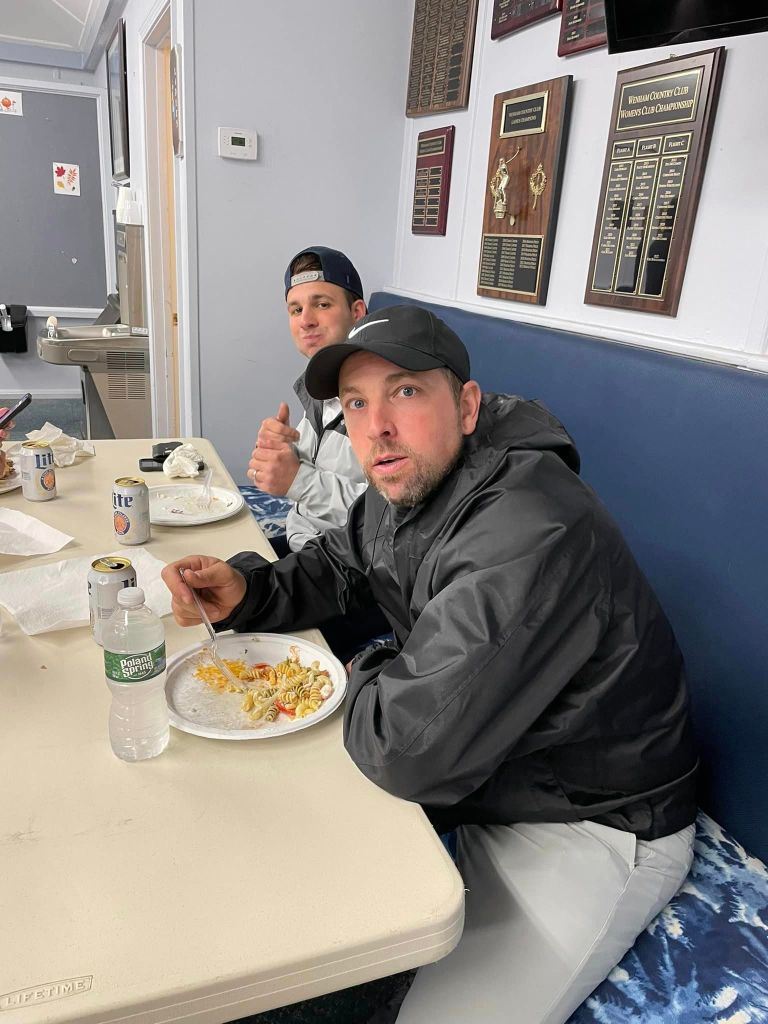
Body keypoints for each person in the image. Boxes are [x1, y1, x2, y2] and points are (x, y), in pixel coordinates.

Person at [163, 305, 698, 1024]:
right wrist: (250, 591)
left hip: (592, 817)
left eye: (406, 391)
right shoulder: (411, 476)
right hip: (484, 765)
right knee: (252, 862)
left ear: (467, 406)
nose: (377, 426)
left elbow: (408, 750)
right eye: (356, 403)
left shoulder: (530, 525)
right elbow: (341, 562)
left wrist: (373, 664)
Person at [246, 246, 368, 555]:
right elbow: (320, 467)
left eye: (322, 304)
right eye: (296, 310)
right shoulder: (320, 387)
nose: (306, 321)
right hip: (303, 545)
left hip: (349, 568)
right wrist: (280, 454)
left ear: (357, 313)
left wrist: (298, 480)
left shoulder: (381, 401)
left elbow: (395, 515)